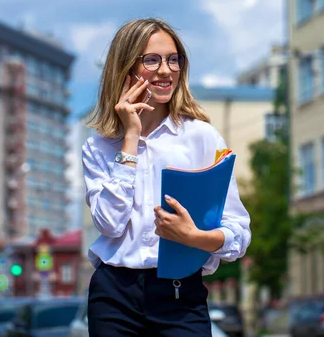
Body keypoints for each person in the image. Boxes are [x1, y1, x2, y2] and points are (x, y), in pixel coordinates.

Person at [83, 18, 251, 336]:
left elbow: (238, 234)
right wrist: (130, 138)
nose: (166, 70)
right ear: (125, 67)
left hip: (181, 295)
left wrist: (194, 237)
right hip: (114, 295)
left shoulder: (202, 138)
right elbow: (110, 223)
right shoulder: (98, 148)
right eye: (152, 60)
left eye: (173, 59)